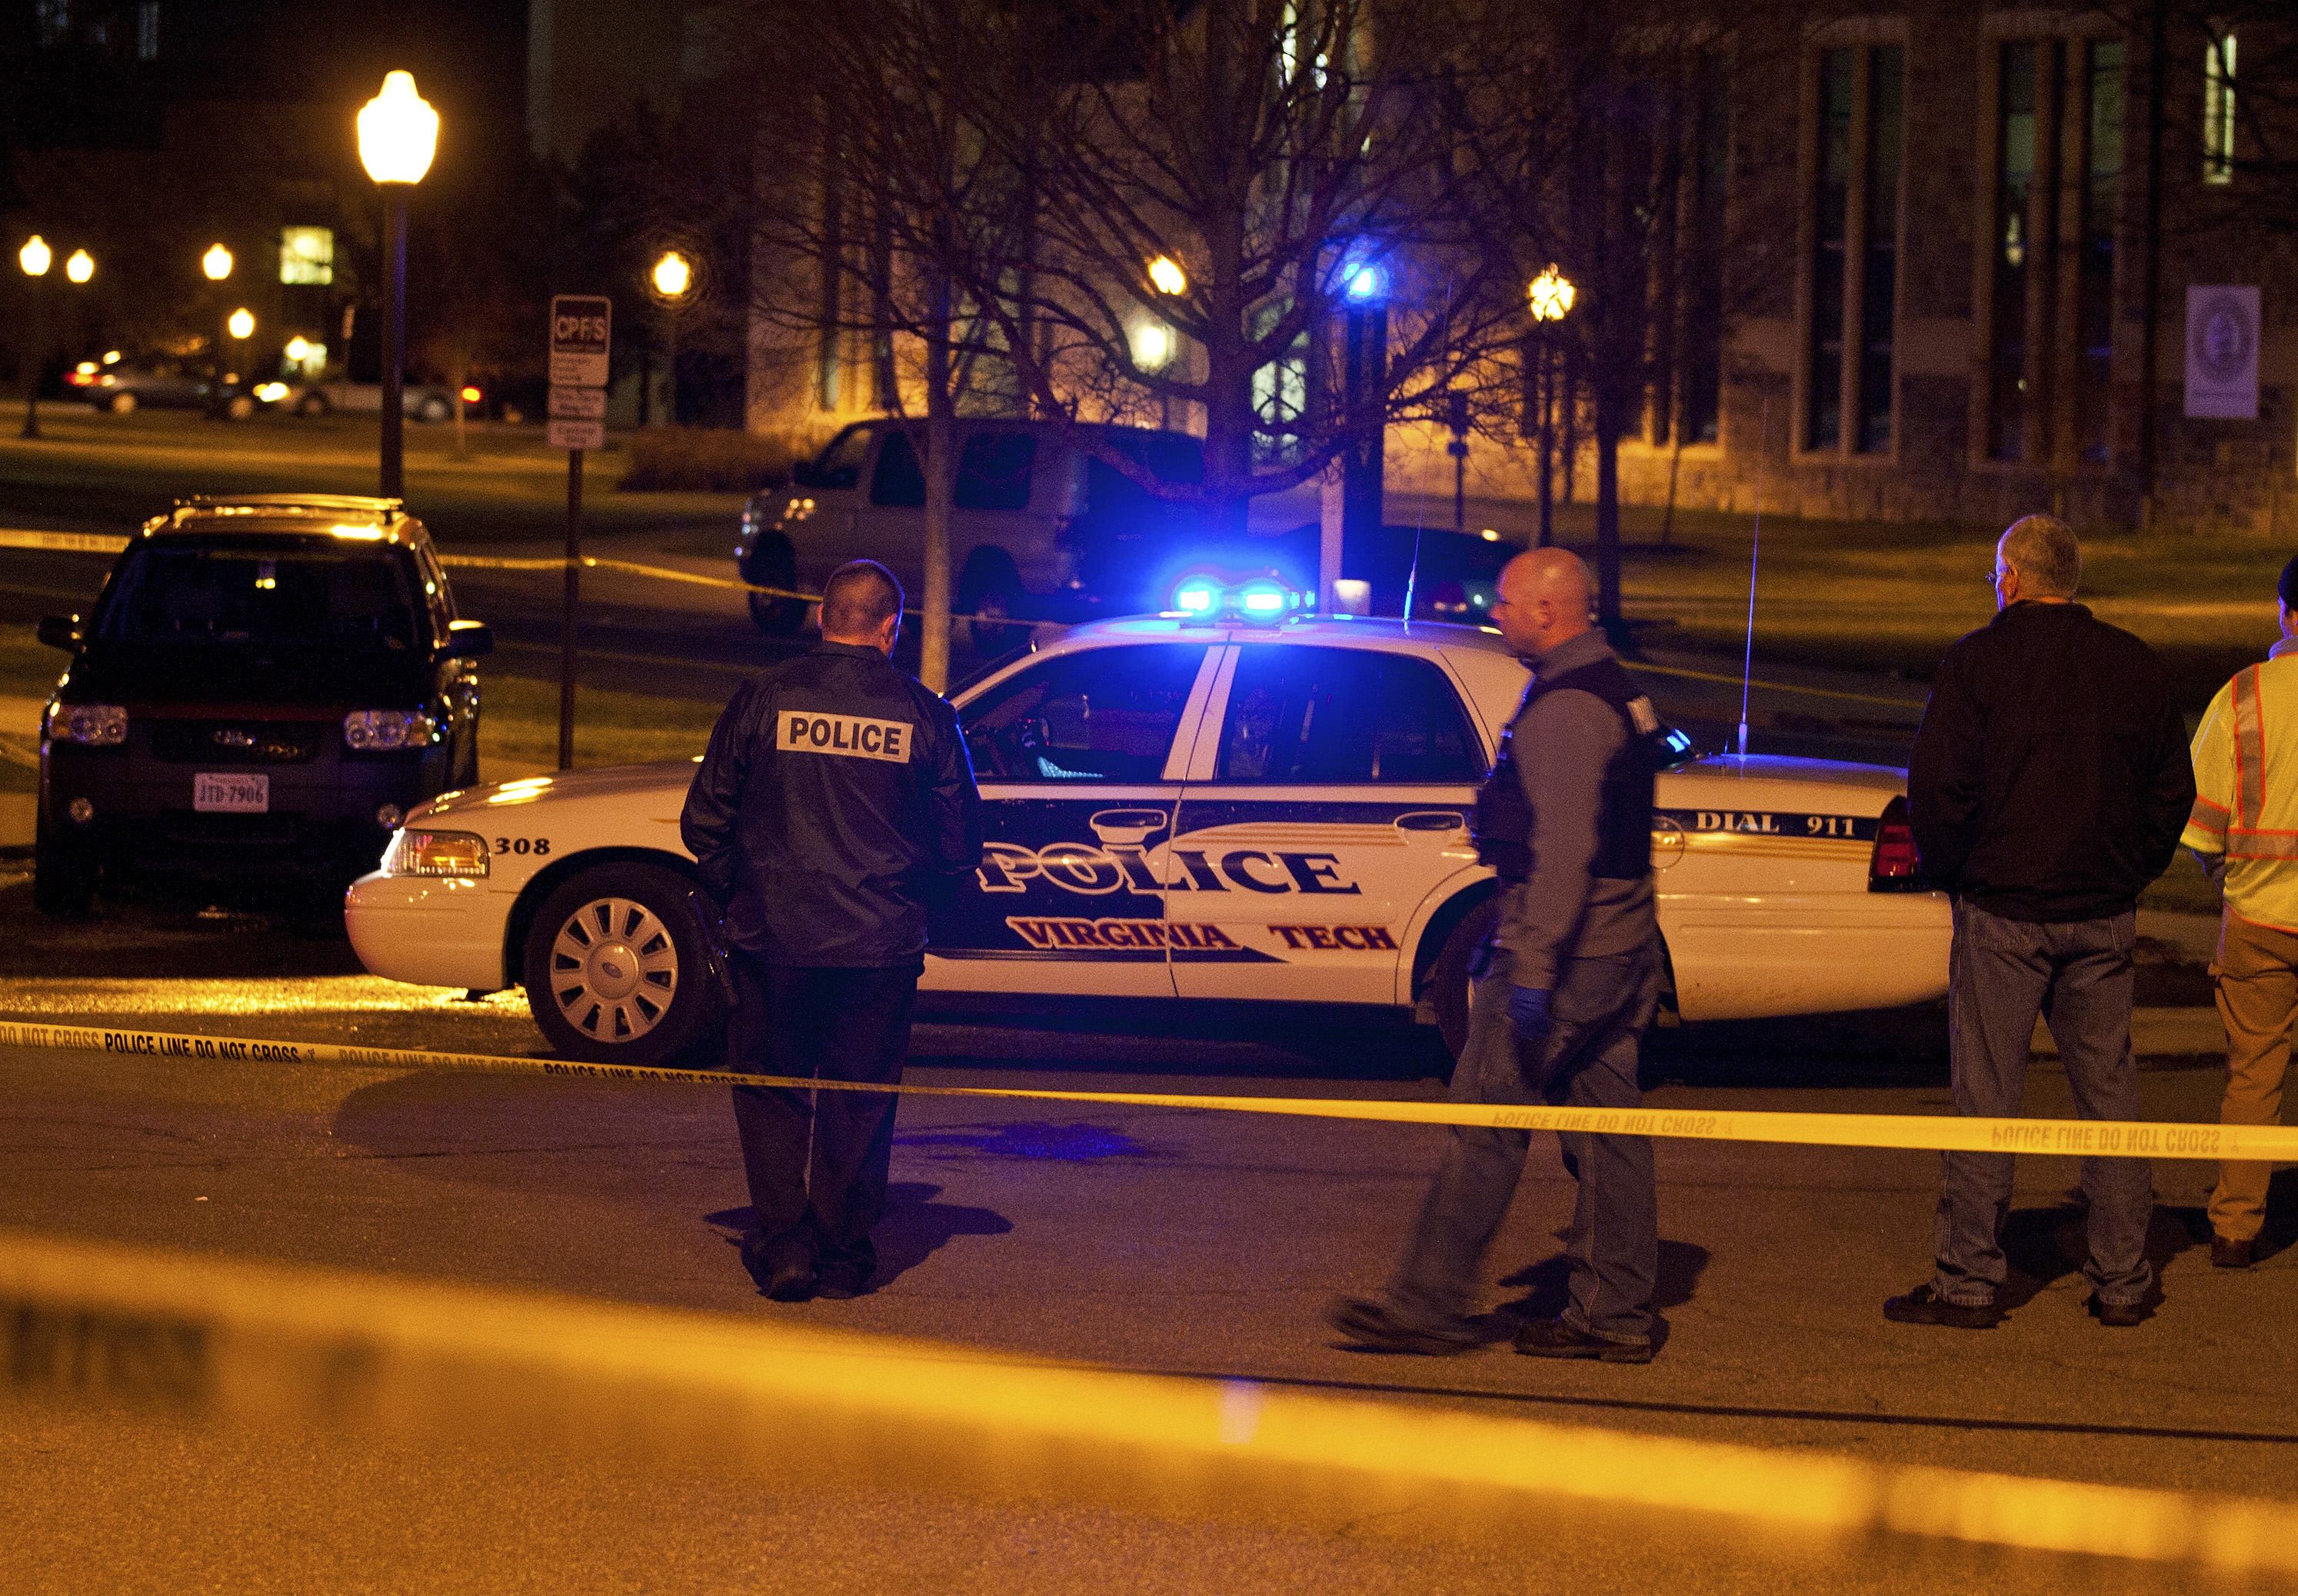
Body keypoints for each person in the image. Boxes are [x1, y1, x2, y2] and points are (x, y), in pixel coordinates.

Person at [1327, 548, 1667, 1364]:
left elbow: (1564, 854)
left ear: (1550, 611)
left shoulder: (1564, 710)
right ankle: (1614, 1310)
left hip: (1567, 954)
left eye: (1509, 602)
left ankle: (1427, 1306)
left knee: (1486, 1116)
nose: (1499, 614)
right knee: (1610, 1130)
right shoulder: (1615, 688)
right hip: (1621, 946)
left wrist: (1535, 974)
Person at [1893, 515, 2193, 1330]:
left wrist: (1958, 874)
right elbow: (2174, 788)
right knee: (2110, 1097)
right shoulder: (2133, 666)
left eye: (1999, 573)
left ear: (2014, 578)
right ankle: (2125, 1279)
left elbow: (1938, 787)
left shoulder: (1978, 663)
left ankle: (1969, 1280)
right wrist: (2131, 868)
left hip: (2004, 912)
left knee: (1987, 1096)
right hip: (2101, 911)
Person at [681, 559, 983, 1302]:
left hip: (771, 941)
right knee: (859, 1096)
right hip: (877, 950)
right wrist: (912, 903)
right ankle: (844, 1252)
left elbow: (703, 821)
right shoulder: (925, 716)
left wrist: (744, 892)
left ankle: (785, 1245)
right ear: (892, 628)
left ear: (821, 617)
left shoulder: (764, 698)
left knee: (773, 1092)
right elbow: (958, 846)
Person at [2180, 554, 2298, 1271]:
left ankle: (2235, 1227)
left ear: (2286, 612)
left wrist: (2229, 872)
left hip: (2258, 917)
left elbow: (2201, 827)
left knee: (2255, 1072)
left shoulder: (2245, 695)